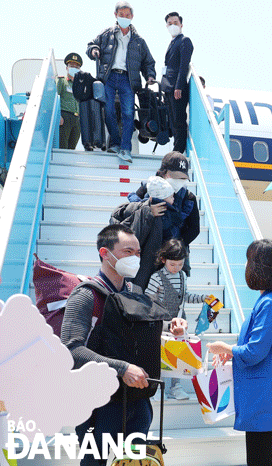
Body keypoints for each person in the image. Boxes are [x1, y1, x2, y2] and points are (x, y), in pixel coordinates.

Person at [60, 224, 187, 466]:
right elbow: (72, 349)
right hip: (98, 405)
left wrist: (173, 330)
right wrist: (123, 368)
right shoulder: (86, 295)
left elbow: (140, 341)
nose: (135, 258)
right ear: (105, 253)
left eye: (138, 253)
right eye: (128, 252)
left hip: (136, 401)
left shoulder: (135, 291)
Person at [207, 239, 272, 466]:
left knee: (259, 460)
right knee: (263, 459)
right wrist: (232, 353)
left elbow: (254, 352)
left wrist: (226, 348)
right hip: (270, 394)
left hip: (265, 397)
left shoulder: (270, 302)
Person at [87, 1, 156, 163]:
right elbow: (91, 44)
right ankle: (116, 143)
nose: (124, 17)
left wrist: (150, 76)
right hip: (109, 77)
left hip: (128, 80)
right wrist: (94, 50)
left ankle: (125, 148)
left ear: (131, 16)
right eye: (121, 15)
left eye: (127, 15)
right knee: (109, 110)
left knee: (128, 113)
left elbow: (148, 62)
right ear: (116, 15)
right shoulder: (107, 34)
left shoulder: (139, 41)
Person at [146, 238, 210, 400]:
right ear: (163, 260)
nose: (176, 268)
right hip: (161, 323)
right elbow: (148, 300)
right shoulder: (157, 277)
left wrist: (203, 298)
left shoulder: (182, 276)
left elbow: (185, 296)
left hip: (180, 322)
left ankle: (176, 386)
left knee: (178, 356)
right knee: (160, 355)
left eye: (180, 264)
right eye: (172, 264)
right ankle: (157, 387)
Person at [126, 152, 200, 287]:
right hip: (146, 253)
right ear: (164, 173)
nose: (179, 181)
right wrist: (148, 209)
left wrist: (174, 247)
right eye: (175, 177)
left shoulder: (189, 198)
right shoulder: (148, 187)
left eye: (183, 178)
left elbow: (194, 229)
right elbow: (128, 211)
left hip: (173, 258)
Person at [162, 11, 193, 153]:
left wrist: (179, 86)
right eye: (170, 24)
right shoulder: (171, 43)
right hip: (168, 88)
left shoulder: (184, 41)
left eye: (175, 23)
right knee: (173, 122)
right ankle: (176, 149)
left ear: (181, 25)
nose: (172, 26)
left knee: (179, 122)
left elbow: (183, 66)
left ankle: (179, 151)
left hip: (177, 88)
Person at [57, 52, 83, 150]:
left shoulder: (80, 85)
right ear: (67, 67)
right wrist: (58, 116)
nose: (74, 69)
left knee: (72, 149)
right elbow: (56, 98)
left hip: (77, 119)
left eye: (77, 67)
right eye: (71, 66)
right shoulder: (62, 81)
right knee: (63, 147)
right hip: (65, 117)